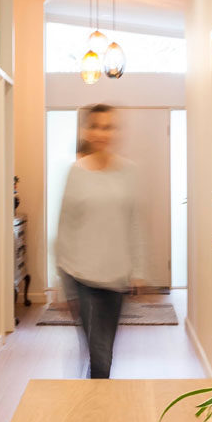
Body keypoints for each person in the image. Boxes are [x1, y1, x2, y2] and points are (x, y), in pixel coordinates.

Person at [56, 105, 145, 379]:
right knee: (100, 353)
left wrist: (138, 271)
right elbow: (65, 226)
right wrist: (62, 283)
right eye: (95, 126)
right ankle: (95, 413)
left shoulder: (129, 172)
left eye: (108, 127)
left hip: (116, 279)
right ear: (86, 130)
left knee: (103, 349)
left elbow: (134, 222)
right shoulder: (76, 172)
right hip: (81, 276)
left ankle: (92, 397)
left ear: (115, 132)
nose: (101, 133)